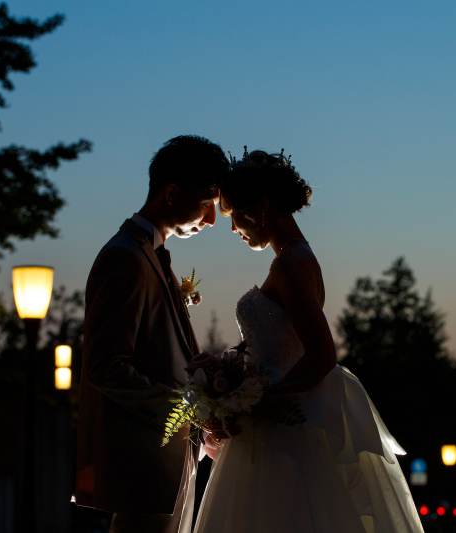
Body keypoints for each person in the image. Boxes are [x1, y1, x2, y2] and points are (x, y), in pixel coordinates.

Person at [193, 148, 424, 533]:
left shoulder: (291, 263)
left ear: (262, 206)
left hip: (282, 427)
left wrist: (261, 402)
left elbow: (321, 355)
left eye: (235, 214)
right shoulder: (295, 258)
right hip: (277, 417)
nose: (234, 228)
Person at [74, 135, 228, 533]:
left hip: (169, 463)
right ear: (172, 191)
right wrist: (186, 416)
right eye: (208, 203)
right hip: (144, 467)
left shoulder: (148, 254)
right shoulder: (125, 258)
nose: (211, 220)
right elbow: (106, 366)